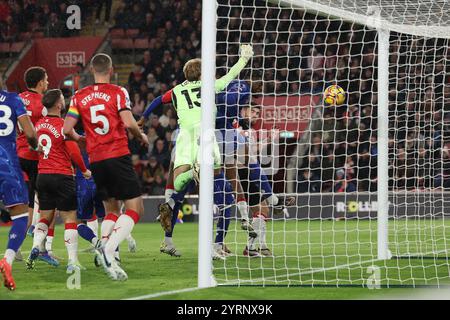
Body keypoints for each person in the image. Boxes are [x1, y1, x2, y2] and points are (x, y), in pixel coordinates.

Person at [63, 53, 149, 281]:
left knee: (111, 210)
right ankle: (109, 249)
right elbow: (129, 123)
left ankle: (108, 250)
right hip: (117, 155)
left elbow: (66, 129)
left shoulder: (79, 96)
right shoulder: (118, 92)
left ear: (92, 70)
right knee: (135, 208)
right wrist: (141, 137)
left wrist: (80, 138)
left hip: (96, 160)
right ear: (111, 70)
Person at [157, 45, 254, 235]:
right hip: (207, 135)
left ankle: (181, 190)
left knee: (177, 182)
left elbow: (160, 101)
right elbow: (229, 78)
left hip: (185, 136)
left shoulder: (176, 90)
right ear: (202, 73)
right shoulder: (209, 85)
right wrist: (243, 59)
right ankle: (223, 229)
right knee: (217, 176)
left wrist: (143, 117)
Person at [26, 89, 91, 272]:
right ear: (59, 104)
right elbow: (74, 152)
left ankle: (36, 247)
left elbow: (33, 147)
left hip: (43, 176)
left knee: (45, 216)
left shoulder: (38, 125)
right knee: (70, 218)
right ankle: (72, 262)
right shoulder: (64, 126)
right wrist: (84, 170)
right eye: (63, 99)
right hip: (62, 175)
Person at [0, 79, 38, 291]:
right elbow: (30, 134)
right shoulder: (13, 99)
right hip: (6, 165)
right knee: (21, 217)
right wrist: (35, 146)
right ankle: (7, 259)